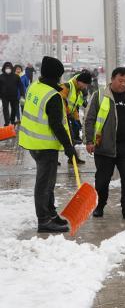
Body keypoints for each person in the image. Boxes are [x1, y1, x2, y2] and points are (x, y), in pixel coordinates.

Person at [17, 56, 75, 233]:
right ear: (56, 76)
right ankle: (44, 220)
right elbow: (56, 125)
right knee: (44, 184)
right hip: (45, 146)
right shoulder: (53, 97)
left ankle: (50, 213)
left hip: (33, 143)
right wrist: (68, 147)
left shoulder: (35, 86)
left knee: (47, 183)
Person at [84, 67, 125, 221]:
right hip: (104, 146)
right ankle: (99, 206)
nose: (123, 84)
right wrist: (89, 141)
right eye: (120, 81)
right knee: (102, 180)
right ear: (112, 79)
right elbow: (89, 119)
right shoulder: (99, 96)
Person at [60, 70, 92, 164]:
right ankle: (53, 159)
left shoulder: (78, 91)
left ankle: (73, 158)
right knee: (60, 138)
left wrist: (76, 120)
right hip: (61, 117)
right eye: (84, 84)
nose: (85, 87)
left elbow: (74, 106)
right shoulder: (67, 86)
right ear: (79, 81)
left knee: (70, 138)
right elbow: (60, 100)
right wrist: (68, 113)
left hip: (67, 117)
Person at [0, 61, 23, 125]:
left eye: (9, 67)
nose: (8, 69)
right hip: (4, 96)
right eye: (6, 68)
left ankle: (12, 120)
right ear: (4, 68)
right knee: (5, 109)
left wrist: (22, 94)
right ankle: (7, 123)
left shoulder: (16, 76)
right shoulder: (1, 77)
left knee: (14, 109)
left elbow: (20, 86)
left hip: (14, 96)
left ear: (11, 68)